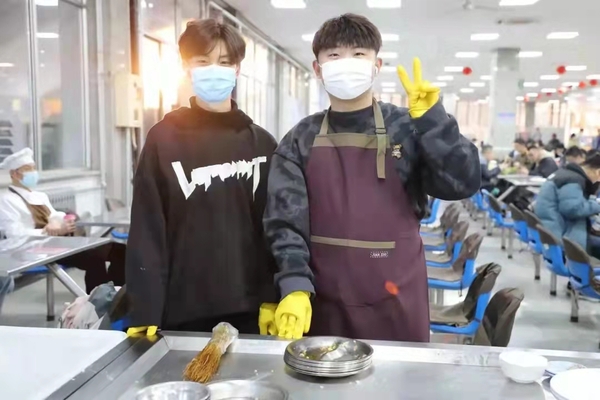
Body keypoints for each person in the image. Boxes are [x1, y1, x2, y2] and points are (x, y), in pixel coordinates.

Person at [264, 14, 480, 342]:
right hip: (323, 301)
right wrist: (294, 285)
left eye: (358, 54)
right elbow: (284, 223)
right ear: (318, 69)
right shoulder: (300, 139)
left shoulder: (407, 128)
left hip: (397, 299)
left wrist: (434, 122)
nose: (346, 63)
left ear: (376, 66)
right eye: (334, 55)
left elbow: (462, 182)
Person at [125, 19, 279, 337]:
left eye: (224, 62)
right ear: (186, 67)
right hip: (181, 306)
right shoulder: (163, 139)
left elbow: (273, 228)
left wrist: (273, 294)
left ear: (237, 69)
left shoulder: (261, 144)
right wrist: (144, 307)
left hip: (249, 305)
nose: (214, 70)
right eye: (203, 61)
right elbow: (147, 228)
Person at [0, 148, 125, 293]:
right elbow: (14, 235)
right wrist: (47, 231)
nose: (33, 172)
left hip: (59, 242)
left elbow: (56, 214)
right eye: (28, 169)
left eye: (34, 168)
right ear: (14, 174)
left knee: (122, 251)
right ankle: (97, 302)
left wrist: (56, 221)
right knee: (95, 258)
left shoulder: (39, 196)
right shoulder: (6, 200)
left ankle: (117, 294)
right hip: (35, 249)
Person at [535, 153, 600, 258]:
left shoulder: (565, 174)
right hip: (564, 240)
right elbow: (573, 209)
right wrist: (596, 206)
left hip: (553, 234)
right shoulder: (573, 180)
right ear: (598, 172)